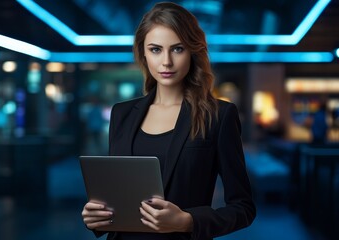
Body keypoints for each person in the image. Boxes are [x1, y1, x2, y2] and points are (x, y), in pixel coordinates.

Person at [82, 2, 256, 240]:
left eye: (177, 49)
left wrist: (187, 221)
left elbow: (244, 208)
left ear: (193, 51)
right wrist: (98, 218)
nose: (166, 62)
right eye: (155, 49)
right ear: (142, 52)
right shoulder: (122, 114)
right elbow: (120, 195)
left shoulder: (218, 115)